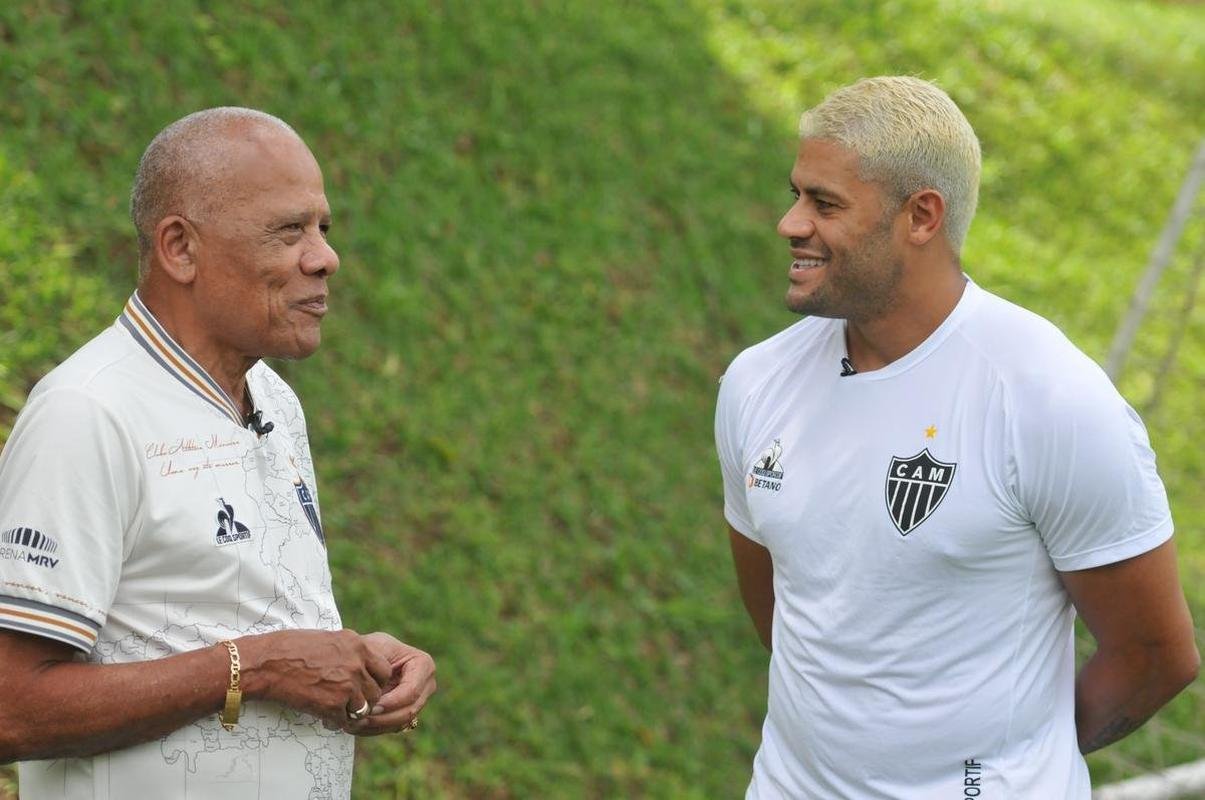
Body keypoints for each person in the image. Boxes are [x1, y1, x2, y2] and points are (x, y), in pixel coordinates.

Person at [715, 76, 1198, 798]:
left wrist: (1015, 762)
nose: (790, 223)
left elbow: (1156, 656)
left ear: (920, 216)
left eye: (823, 203)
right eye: (796, 194)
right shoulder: (756, 383)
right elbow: (782, 615)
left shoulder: (1048, 399)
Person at [0, 107, 436, 799]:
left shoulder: (271, 398)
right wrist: (255, 669)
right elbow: (12, 708)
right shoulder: (88, 415)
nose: (325, 256)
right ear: (180, 248)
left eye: (322, 228)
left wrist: (350, 662)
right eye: (288, 230)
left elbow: (230, 621)